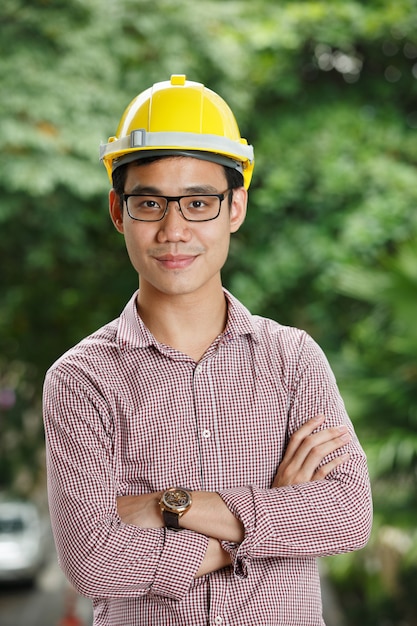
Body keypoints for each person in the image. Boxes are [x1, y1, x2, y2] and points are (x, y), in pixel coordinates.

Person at [43, 75, 372, 626]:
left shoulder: (294, 359)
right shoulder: (81, 380)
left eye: (198, 202)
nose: (174, 230)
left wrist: (171, 507)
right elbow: (93, 561)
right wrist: (270, 517)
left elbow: (348, 513)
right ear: (118, 212)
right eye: (150, 203)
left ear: (235, 209)